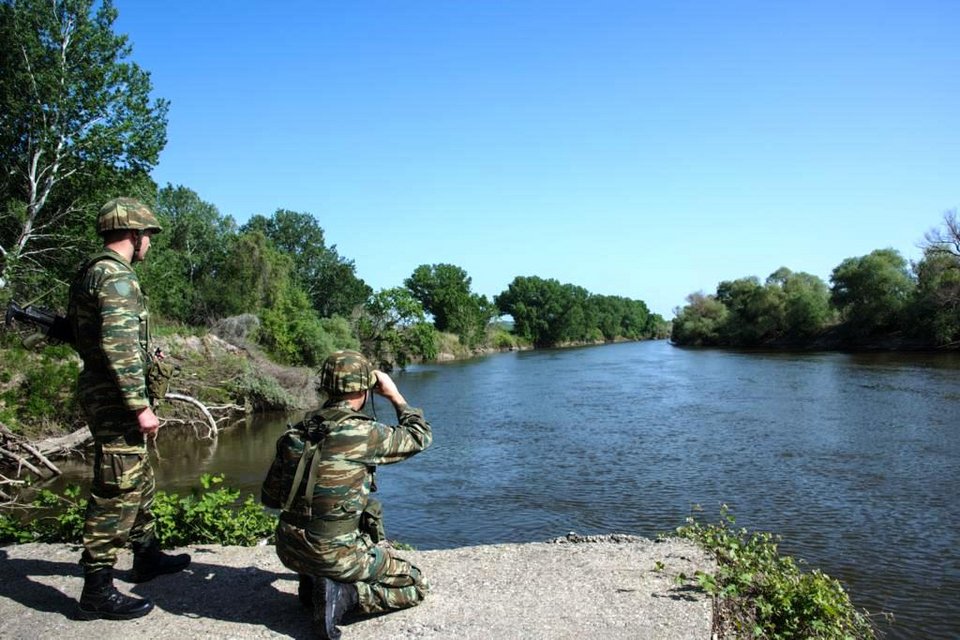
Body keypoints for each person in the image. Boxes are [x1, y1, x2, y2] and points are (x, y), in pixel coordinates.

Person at [68, 197, 190, 620]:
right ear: (134, 236)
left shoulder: (92, 271)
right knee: (115, 488)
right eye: (148, 238)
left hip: (107, 394)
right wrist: (140, 406)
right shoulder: (116, 278)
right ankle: (97, 589)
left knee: (137, 477)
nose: (150, 246)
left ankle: (147, 554)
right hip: (117, 401)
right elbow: (118, 347)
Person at [262, 350, 432, 639]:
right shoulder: (363, 434)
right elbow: (420, 435)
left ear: (326, 386)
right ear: (365, 389)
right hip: (336, 556)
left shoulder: (297, 433)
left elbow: (270, 498)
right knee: (415, 584)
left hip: (289, 550)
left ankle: (314, 582)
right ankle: (346, 595)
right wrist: (394, 395)